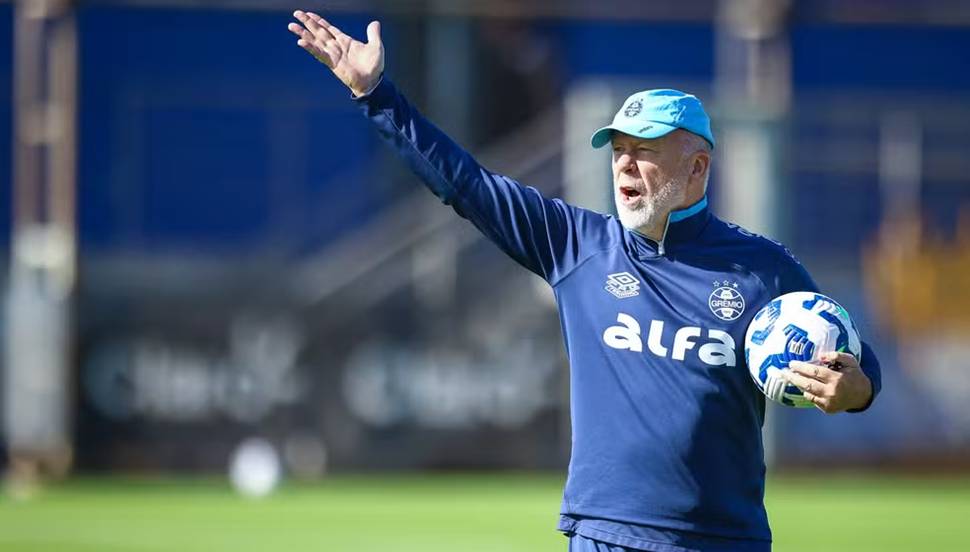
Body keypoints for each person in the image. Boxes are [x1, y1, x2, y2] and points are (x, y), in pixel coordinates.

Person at [287, 11, 881, 552]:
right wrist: (376, 95)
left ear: (697, 166)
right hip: (603, 536)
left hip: (721, 541)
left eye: (644, 150)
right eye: (617, 149)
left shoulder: (763, 269)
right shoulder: (578, 245)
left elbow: (860, 365)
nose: (623, 163)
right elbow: (463, 184)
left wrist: (851, 390)